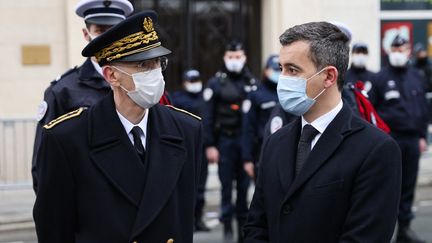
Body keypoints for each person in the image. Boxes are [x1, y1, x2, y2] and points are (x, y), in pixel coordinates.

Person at [33, 11, 203, 243]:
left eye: (158, 63)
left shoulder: (187, 129)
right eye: (143, 65)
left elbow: (183, 219)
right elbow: (54, 228)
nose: (154, 73)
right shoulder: (66, 138)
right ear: (111, 75)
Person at [244, 21, 401, 242]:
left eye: (293, 70)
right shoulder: (275, 143)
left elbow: (365, 236)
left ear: (328, 76)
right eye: (281, 69)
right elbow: (257, 225)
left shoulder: (375, 149)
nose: (283, 80)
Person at [31, 0, 134, 192]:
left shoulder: (139, 83)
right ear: (86, 34)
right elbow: (44, 164)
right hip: (89, 199)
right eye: (101, 30)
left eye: (114, 30)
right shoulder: (63, 91)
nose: (109, 37)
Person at [369, 35, 428, 243]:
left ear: (408, 50)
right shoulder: (380, 78)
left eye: (401, 48)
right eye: (394, 48)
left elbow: (423, 109)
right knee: (387, 185)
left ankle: (404, 229)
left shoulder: (417, 77)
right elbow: (370, 111)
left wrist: (422, 136)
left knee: (408, 186)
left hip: (412, 140)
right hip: (389, 139)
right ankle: (382, 232)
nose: (397, 52)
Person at [203, 40, 257, 242]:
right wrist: (209, 145)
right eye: (231, 57)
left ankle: (242, 229)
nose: (235, 61)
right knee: (226, 186)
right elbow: (207, 116)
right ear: (225, 58)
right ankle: (226, 227)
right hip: (224, 141)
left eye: (238, 57)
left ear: (244, 58)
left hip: (244, 144)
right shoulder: (216, 83)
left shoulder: (251, 82)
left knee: (243, 188)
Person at [171, 69, 210, 232]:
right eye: (191, 81)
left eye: (196, 80)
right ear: (185, 82)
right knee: (185, 187)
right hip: (184, 148)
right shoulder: (178, 99)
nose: (194, 84)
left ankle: (198, 219)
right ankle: (186, 221)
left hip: (201, 148)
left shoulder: (205, 98)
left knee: (200, 186)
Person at [242, 55, 279, 180]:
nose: (278, 73)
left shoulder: (288, 93)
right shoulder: (256, 95)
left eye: (281, 69)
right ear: (266, 70)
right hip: (262, 151)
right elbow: (248, 127)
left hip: (287, 151)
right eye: (275, 69)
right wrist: (247, 158)